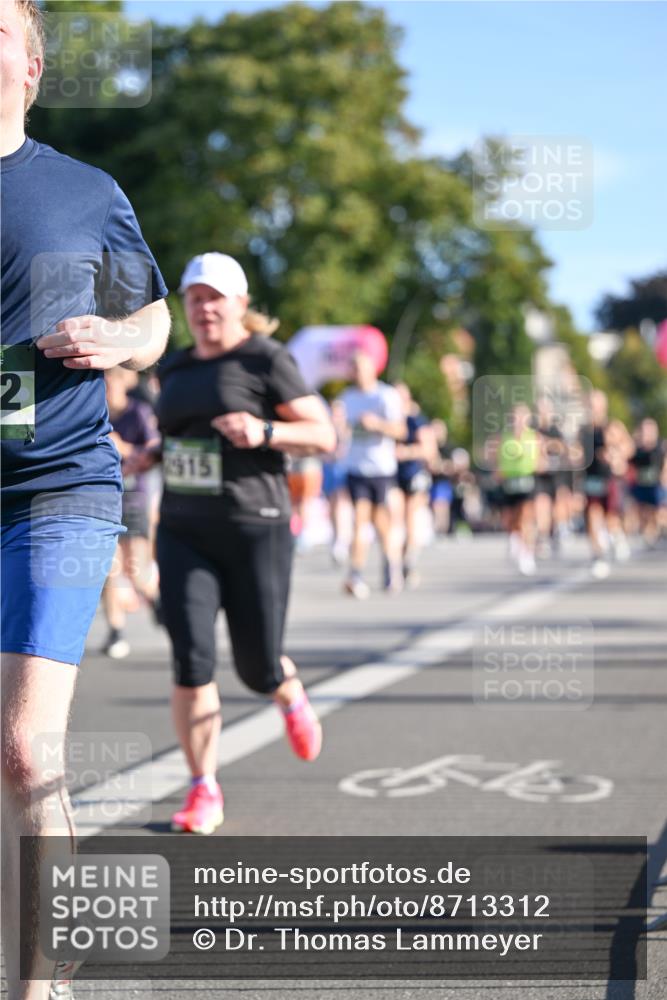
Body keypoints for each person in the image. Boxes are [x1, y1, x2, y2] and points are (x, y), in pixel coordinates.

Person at [0, 4, 170, 998]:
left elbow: (149, 315)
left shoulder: (82, 192)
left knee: (26, 747)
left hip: (57, 490)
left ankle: (43, 983)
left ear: (30, 65)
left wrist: (119, 341)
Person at [152, 253, 335, 835]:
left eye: (215, 297)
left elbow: (324, 435)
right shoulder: (174, 368)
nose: (204, 308)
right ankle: (203, 787)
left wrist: (267, 431)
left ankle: (284, 688)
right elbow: (180, 440)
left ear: (240, 303)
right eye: (194, 298)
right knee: (192, 660)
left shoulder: (265, 359)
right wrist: (148, 455)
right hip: (183, 528)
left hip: (255, 526)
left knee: (255, 665)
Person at [101, 367, 161, 659]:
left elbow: (152, 453)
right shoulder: (93, 414)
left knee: (134, 570)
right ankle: (115, 631)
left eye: (112, 380)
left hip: (133, 498)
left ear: (123, 383)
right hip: (99, 500)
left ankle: (156, 600)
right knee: (106, 569)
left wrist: (123, 449)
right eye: (103, 381)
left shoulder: (137, 412)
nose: (107, 386)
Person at [336, 351, 406, 598]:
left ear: (372, 370)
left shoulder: (386, 395)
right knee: (359, 520)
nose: (358, 373)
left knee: (382, 523)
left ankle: (391, 565)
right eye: (354, 369)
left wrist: (376, 424)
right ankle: (355, 574)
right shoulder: (347, 398)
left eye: (362, 368)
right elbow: (341, 432)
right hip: (356, 468)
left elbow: (400, 430)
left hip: (381, 468)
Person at [393, 383, 436, 587]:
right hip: (392, 474)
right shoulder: (389, 420)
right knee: (395, 518)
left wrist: (406, 452)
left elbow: (429, 450)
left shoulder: (416, 420)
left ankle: (409, 561)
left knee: (410, 516)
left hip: (413, 473)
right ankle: (395, 560)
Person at [497, 403, 539, 576]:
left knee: (525, 518)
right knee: (510, 520)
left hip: (527, 480)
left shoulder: (533, 437)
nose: (518, 421)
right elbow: (498, 459)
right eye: (515, 417)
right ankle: (514, 539)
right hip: (510, 481)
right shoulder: (505, 438)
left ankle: (527, 553)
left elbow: (538, 458)